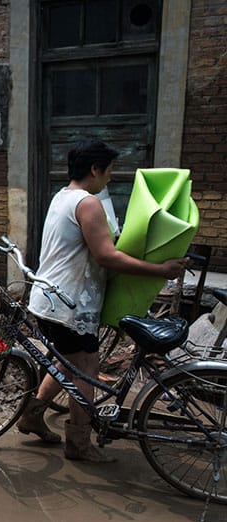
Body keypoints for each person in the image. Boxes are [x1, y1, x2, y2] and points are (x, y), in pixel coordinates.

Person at [15, 139, 187, 462]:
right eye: (108, 171)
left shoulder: (61, 197)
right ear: (94, 169)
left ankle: (32, 414)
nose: (110, 178)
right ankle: (79, 443)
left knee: (68, 361)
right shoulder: (88, 203)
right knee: (86, 369)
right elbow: (106, 257)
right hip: (70, 305)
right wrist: (159, 269)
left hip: (48, 299)